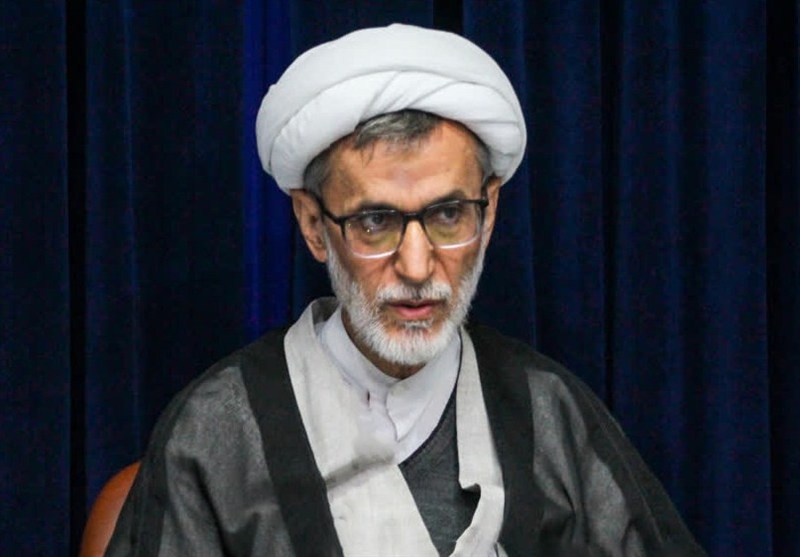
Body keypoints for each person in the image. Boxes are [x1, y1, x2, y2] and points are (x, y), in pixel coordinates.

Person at [106, 24, 705, 556]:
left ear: (490, 212)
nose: (417, 266)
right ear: (313, 225)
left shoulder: (551, 412)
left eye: (447, 215)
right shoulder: (215, 434)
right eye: (375, 221)